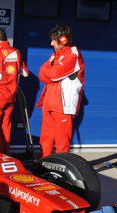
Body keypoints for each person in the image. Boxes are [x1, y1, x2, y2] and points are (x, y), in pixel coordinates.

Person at [36, 24, 85, 157]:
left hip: (63, 105)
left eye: (54, 40)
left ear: (63, 40)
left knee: (62, 142)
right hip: (49, 101)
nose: (51, 43)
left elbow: (53, 74)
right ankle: (43, 165)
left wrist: (51, 75)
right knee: (45, 140)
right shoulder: (55, 54)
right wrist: (51, 75)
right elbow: (42, 72)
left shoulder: (73, 54)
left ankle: (62, 169)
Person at [0, 28, 23, 154]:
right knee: (6, 125)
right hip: (12, 95)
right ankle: (6, 152)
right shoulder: (17, 52)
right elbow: (25, 73)